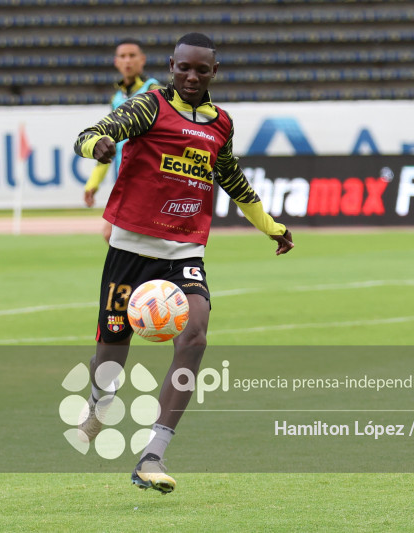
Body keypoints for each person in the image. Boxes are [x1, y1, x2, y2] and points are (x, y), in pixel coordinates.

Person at [73, 32, 294, 494]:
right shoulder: (148, 105)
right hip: (130, 251)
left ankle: (153, 454)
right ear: (171, 67)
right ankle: (99, 403)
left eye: (201, 70)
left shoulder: (221, 124)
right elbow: (91, 133)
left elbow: (232, 179)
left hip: (184, 253)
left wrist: (271, 226)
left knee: (194, 336)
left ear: (214, 73)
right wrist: (97, 147)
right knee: (112, 352)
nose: (191, 77)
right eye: (183, 68)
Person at [83, 38, 161, 243]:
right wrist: (93, 183)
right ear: (116, 62)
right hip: (126, 179)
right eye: (123, 56)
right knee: (119, 237)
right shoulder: (117, 98)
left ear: (142, 60)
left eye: (132, 56)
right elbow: (110, 145)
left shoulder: (154, 90)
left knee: (115, 235)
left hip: (149, 178)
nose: (128, 61)